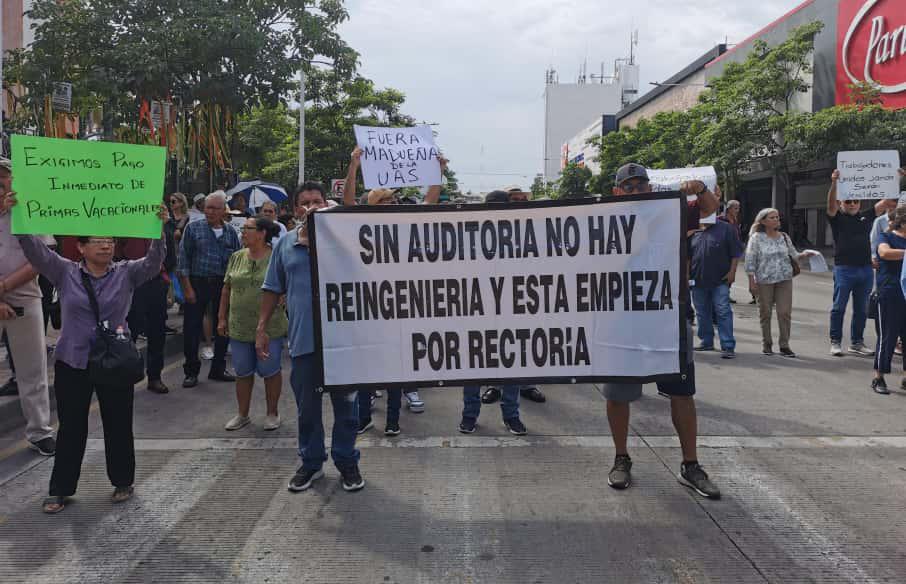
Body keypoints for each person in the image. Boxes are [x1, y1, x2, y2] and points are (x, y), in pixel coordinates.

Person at [2, 190, 168, 514]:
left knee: (118, 424)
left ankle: (123, 480)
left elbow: (153, 263)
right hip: (73, 361)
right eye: (96, 241)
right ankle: (61, 489)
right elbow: (35, 252)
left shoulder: (126, 273)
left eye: (109, 240)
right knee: (72, 428)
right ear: (80, 247)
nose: (105, 245)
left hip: (114, 361)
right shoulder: (64, 271)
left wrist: (160, 230)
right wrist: (18, 218)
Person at [604, 163, 721, 499]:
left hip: (669, 314)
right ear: (618, 191)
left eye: (642, 185)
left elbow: (711, 209)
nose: (636, 191)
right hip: (623, 317)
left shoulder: (672, 210)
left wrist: (698, 188)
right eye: (629, 187)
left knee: (682, 392)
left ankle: (690, 464)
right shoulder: (602, 218)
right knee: (618, 394)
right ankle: (621, 457)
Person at [258, 181, 365, 492]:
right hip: (304, 342)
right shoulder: (285, 244)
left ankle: (347, 462)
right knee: (308, 409)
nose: (311, 207)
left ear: (326, 203)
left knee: (347, 408)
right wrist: (261, 327)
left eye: (317, 201)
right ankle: (311, 462)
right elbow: (271, 287)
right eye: (304, 203)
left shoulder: (345, 241)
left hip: (343, 343)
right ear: (295, 209)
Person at [343, 147, 449, 417]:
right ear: (372, 207)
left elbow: (430, 202)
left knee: (406, 347)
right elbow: (348, 203)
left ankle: (410, 389)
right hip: (373, 300)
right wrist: (353, 166)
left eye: (392, 201)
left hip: (405, 299)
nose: (391, 205)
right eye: (384, 202)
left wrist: (437, 172)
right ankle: (370, 399)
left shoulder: (406, 223)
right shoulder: (361, 224)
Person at [0, 157, 55, 455]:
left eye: (4, 177)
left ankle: (39, 431)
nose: (1, 182)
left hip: (25, 297)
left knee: (33, 368)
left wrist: (5, 288)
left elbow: (40, 260)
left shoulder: (30, 211)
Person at [218, 216, 288, 430]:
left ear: (262, 233)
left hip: (269, 327)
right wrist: (222, 318)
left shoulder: (277, 256)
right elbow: (226, 289)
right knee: (242, 371)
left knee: (270, 370)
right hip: (239, 326)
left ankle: (272, 413)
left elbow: (286, 285)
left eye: (248, 228)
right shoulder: (236, 257)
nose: (243, 232)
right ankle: (242, 414)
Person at [479, 187, 547, 405]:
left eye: (521, 200)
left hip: (523, 295)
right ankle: (493, 385)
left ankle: (526, 384)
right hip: (491, 297)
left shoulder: (531, 227)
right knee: (494, 342)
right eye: (513, 200)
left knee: (524, 342)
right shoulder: (480, 229)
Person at [177, 190, 240, 387]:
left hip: (222, 284)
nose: (210, 211)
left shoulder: (230, 232)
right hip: (197, 282)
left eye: (215, 208)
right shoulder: (193, 228)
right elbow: (183, 261)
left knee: (223, 326)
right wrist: (187, 289)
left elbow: (237, 260)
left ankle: (218, 368)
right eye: (207, 207)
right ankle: (191, 371)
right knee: (191, 328)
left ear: (223, 210)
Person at [827, 169, 891, 357]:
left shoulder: (866, 216)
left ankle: (857, 342)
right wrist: (834, 183)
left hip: (865, 269)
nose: (853, 204)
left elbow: (885, 203)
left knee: (861, 309)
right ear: (841, 203)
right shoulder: (837, 218)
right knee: (839, 307)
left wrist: (895, 179)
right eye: (848, 201)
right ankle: (835, 341)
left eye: (856, 201)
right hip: (844, 269)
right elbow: (830, 205)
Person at [117, 219, 177, 394]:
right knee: (129, 331)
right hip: (132, 284)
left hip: (155, 283)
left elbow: (171, 256)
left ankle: (155, 377)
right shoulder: (123, 223)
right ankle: (124, 376)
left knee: (157, 332)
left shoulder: (161, 224)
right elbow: (118, 254)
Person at [745, 208, 816, 357]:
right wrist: (752, 282)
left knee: (784, 312)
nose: (777, 220)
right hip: (764, 280)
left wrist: (804, 255)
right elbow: (750, 260)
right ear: (763, 221)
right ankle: (767, 343)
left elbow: (794, 254)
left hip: (784, 279)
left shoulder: (784, 237)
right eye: (773, 217)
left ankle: (784, 345)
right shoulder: (756, 238)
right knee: (765, 312)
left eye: (777, 217)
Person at [689, 214, 744, 358]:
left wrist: (732, 272)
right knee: (701, 311)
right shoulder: (692, 230)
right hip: (697, 280)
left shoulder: (726, 228)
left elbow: (736, 253)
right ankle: (706, 341)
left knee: (723, 310)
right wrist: (686, 276)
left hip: (721, 280)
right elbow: (688, 256)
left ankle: (727, 346)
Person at [872, 206, 906, 394]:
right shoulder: (886, 237)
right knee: (888, 336)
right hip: (890, 292)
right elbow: (884, 253)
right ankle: (879, 377)